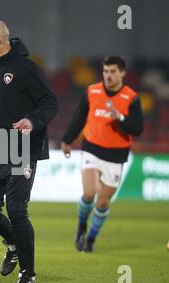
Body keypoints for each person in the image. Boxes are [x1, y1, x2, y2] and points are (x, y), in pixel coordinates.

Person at [0, 20, 58, 283]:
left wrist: (32, 120)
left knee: (17, 209)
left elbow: (49, 102)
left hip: (22, 150)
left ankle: (28, 275)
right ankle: (13, 244)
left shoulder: (27, 69)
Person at [61, 56, 143, 253]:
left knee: (103, 202)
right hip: (92, 148)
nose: (109, 75)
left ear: (122, 73)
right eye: (106, 71)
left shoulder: (131, 98)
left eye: (113, 71)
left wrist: (120, 118)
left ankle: (91, 238)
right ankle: (81, 227)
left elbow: (137, 129)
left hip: (116, 156)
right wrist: (67, 139)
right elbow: (79, 118)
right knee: (89, 192)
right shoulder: (91, 91)